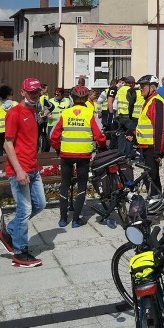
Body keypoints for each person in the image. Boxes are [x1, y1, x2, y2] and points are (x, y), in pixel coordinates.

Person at [0, 77, 47, 268]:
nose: (35, 95)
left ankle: (8, 232)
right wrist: (19, 170)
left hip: (33, 168)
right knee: (24, 210)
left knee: (40, 204)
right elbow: (7, 143)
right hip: (19, 169)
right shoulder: (15, 113)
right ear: (22, 92)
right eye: (31, 92)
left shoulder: (34, 110)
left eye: (37, 92)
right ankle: (20, 252)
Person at [50, 85, 106, 228]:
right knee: (82, 185)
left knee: (65, 184)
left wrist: (58, 149)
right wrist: (103, 147)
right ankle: (76, 220)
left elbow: (53, 136)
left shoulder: (65, 113)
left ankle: (63, 219)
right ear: (85, 97)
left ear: (72, 98)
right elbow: (99, 136)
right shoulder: (89, 114)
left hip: (66, 154)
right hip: (83, 155)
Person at [134, 75, 164, 194]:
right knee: (151, 176)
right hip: (146, 145)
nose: (141, 89)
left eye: (143, 86)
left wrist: (157, 151)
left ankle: (156, 201)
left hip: (152, 147)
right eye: (140, 87)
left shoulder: (156, 102)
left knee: (152, 176)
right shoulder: (148, 101)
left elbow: (159, 128)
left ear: (152, 88)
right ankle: (156, 200)